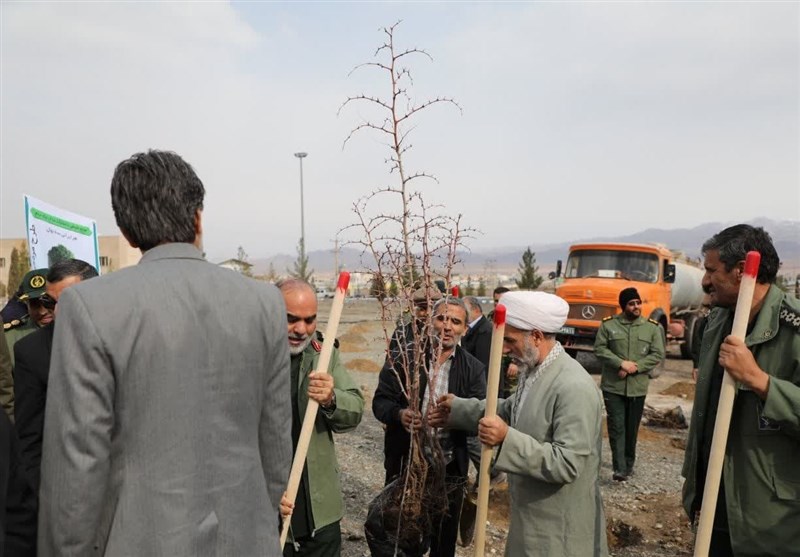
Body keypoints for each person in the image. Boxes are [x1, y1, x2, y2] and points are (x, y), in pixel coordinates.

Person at [38, 150, 292, 556]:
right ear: (198, 218)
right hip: (247, 539)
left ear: (127, 231)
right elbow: (276, 444)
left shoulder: (91, 306)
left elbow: (77, 464)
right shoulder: (263, 302)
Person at [433, 291, 608, 556]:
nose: (502, 349)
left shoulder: (573, 387)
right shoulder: (536, 370)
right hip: (530, 520)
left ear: (536, 336)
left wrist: (506, 439)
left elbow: (567, 463)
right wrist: (458, 409)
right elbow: (509, 409)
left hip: (559, 533)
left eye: (510, 341)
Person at [682, 224, 800, 556]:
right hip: (716, 503)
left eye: (710, 270)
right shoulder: (718, 322)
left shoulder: (795, 330)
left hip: (773, 517)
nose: (704, 281)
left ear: (740, 272)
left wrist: (759, 380)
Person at [372, 297, 486, 557]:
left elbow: (478, 417)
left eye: (455, 321)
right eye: (441, 318)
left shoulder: (473, 369)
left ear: (465, 330)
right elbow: (380, 402)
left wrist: (454, 417)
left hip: (449, 471)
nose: (447, 326)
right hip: (405, 465)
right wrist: (399, 414)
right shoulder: (403, 357)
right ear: (429, 322)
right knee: (401, 537)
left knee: (443, 542)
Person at [277, 278, 364, 557]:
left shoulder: (324, 354)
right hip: (268, 512)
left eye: (309, 320)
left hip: (319, 512)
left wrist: (331, 398)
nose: (301, 329)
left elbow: (354, 410)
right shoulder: (249, 357)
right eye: (291, 319)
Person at [14, 259, 98, 495]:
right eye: (49, 302)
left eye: (68, 300)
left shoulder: (125, 335)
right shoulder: (31, 352)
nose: (56, 311)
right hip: (66, 491)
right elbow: (30, 440)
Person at [594, 287, 665, 481]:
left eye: (638, 303)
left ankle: (629, 462)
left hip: (637, 387)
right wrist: (620, 363)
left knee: (631, 427)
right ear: (623, 306)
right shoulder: (608, 326)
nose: (636, 307)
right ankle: (619, 468)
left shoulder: (651, 328)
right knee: (617, 426)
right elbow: (599, 349)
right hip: (613, 386)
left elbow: (657, 354)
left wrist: (635, 367)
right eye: (631, 303)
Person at [2, 269, 50, 421]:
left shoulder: (78, 332)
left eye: (47, 302)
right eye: (35, 304)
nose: (42, 311)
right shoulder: (10, 337)